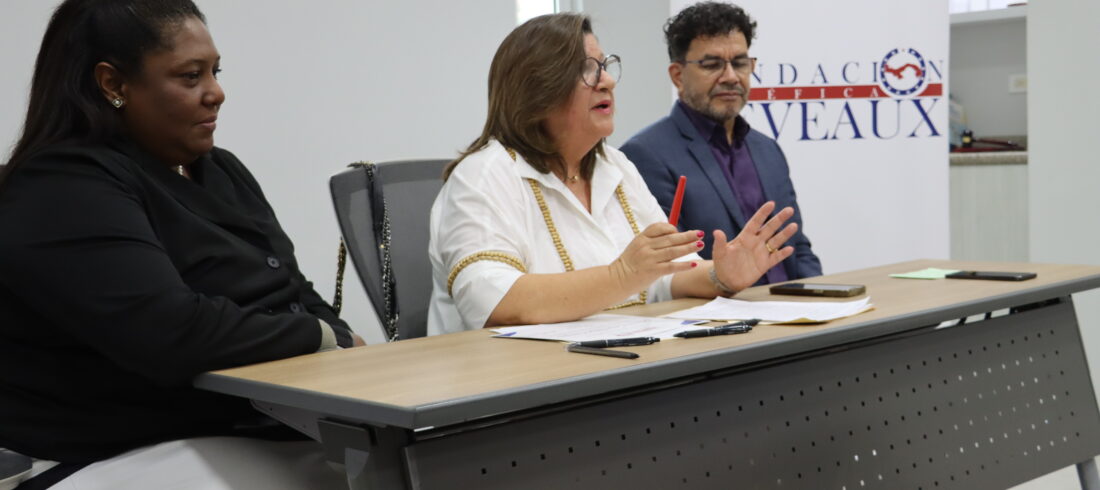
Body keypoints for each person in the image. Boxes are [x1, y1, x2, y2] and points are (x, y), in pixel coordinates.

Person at [0, 1, 358, 487]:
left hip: (253, 428)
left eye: (215, 72)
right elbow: (170, 334)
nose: (216, 93)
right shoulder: (62, 186)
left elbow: (292, 287)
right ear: (113, 84)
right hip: (116, 451)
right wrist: (321, 337)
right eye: (191, 76)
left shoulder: (220, 170)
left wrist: (343, 341)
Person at [427, 13, 799, 335]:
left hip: (611, 368)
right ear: (537, 89)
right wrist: (622, 275)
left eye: (605, 66)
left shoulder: (615, 166)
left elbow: (663, 277)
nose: (607, 81)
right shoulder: (484, 175)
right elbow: (494, 303)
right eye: (588, 69)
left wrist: (722, 276)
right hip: (510, 384)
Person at [621, 1, 822, 284]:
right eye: (712, 64)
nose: (730, 77)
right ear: (678, 76)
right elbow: (666, 271)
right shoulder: (645, 155)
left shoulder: (767, 149)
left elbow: (797, 248)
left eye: (739, 63)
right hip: (717, 308)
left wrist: (820, 298)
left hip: (792, 305)